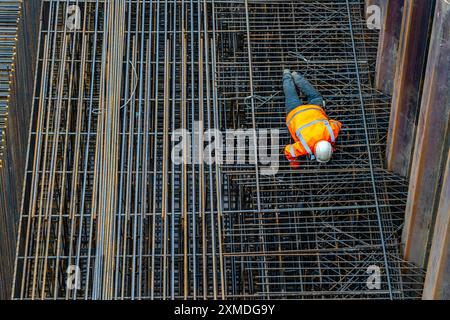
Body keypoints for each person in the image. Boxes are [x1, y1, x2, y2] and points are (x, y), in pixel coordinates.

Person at [283, 69, 342, 163]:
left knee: (315, 97)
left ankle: (296, 76)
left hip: (314, 109)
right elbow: (288, 151)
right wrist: (294, 164)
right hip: (295, 114)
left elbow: (337, 124)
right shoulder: (305, 147)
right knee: (291, 95)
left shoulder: (331, 134)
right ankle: (286, 75)